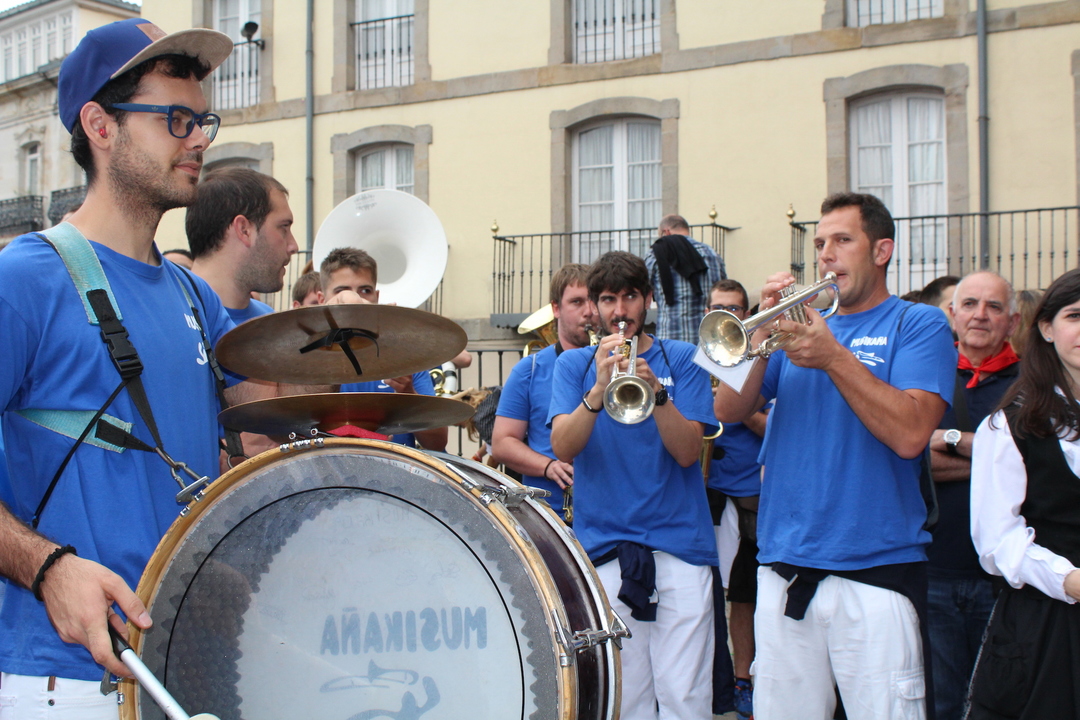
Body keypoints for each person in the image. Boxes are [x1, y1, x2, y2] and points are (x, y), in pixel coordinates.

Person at [0, 18, 235, 717]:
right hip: (68, 680)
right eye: (175, 119)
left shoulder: (194, 296)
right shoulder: (25, 279)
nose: (199, 140)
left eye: (202, 121)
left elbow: (270, 416)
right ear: (100, 126)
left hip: (184, 666)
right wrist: (47, 567)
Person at [714, 192, 956, 720]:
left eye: (843, 240)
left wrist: (833, 357)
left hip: (876, 569)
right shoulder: (797, 326)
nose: (826, 254)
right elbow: (728, 409)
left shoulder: (919, 323)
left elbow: (911, 434)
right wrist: (760, 327)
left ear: (882, 251)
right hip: (784, 565)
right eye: (820, 243)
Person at [549, 251, 718, 720]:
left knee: (685, 698)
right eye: (608, 299)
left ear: (647, 300)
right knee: (626, 701)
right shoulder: (574, 365)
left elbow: (688, 452)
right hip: (606, 550)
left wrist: (658, 393)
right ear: (595, 307)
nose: (620, 311)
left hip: (679, 550)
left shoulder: (681, 358)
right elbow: (563, 447)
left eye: (629, 297)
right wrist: (597, 390)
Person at [968, 268, 1080, 719]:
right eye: (1075, 316)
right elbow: (997, 542)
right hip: (1047, 627)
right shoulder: (1009, 425)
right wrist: (1069, 579)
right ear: (1047, 329)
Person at [924, 271, 1020, 720]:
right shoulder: (925, 374)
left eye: (994, 306)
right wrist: (998, 459)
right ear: (952, 314)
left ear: (1013, 321)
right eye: (970, 304)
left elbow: (1034, 465)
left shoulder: (1033, 384)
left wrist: (948, 440)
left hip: (1005, 576)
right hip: (935, 567)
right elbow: (911, 456)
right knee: (941, 702)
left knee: (1000, 703)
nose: (980, 315)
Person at [705, 278, 768, 720]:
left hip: (751, 494)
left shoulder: (761, 354)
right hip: (708, 489)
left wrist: (736, 404)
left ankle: (746, 677)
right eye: (718, 308)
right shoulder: (697, 357)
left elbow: (771, 424)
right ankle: (720, 680)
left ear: (746, 314)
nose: (727, 315)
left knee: (747, 594)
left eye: (734, 309)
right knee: (709, 595)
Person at [491, 264, 595, 521]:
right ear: (556, 309)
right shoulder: (529, 370)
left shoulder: (616, 363)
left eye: (594, 300)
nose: (589, 311)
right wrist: (547, 466)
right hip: (550, 515)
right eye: (577, 302)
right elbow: (502, 443)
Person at [320, 247, 447, 452]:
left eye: (365, 291)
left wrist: (408, 393)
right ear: (322, 299)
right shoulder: (304, 359)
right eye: (342, 291)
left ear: (376, 297)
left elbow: (438, 443)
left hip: (396, 469)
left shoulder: (405, 355)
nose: (355, 300)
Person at [188, 166, 297, 323]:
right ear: (244, 230)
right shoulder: (173, 319)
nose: (293, 246)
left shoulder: (270, 322)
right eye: (283, 227)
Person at [645, 214, 726, 344]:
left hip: (670, 340)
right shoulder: (712, 254)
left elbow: (642, 291)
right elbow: (724, 292)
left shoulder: (655, 255)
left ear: (666, 232)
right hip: (709, 340)